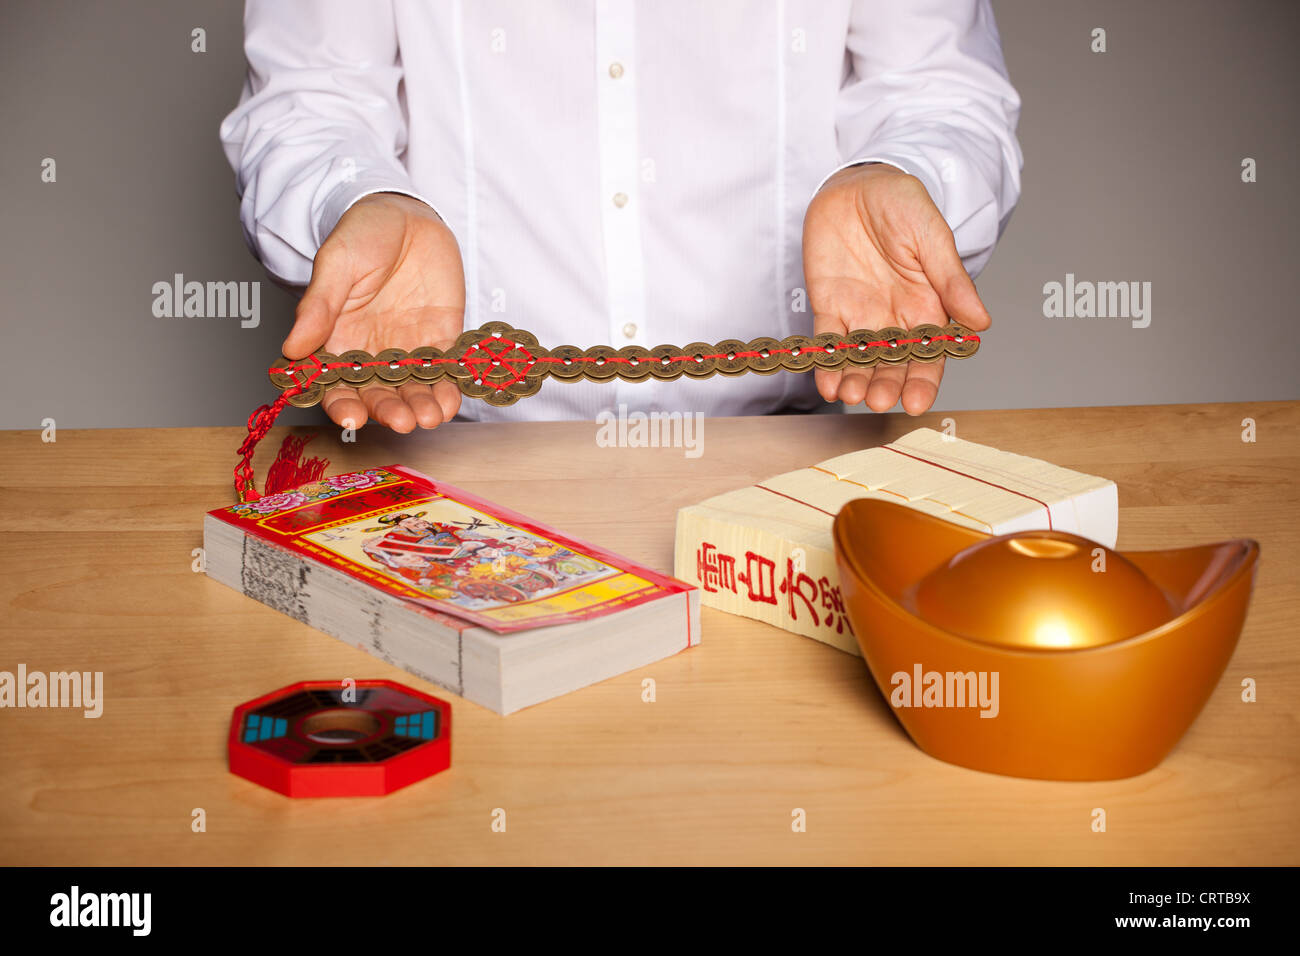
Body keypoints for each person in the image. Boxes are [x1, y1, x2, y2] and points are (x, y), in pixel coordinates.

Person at [221, 0, 1021, 432]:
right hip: (456, 453)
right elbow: (310, 102)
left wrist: (902, 172)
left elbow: (941, 90)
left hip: (797, 455)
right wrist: (356, 199)